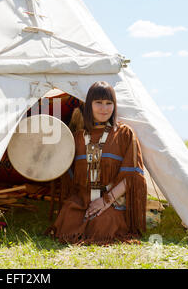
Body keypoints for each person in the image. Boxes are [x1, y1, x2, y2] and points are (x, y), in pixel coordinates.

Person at [47, 81, 147, 245]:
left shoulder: (124, 133)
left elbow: (132, 176)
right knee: (68, 216)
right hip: (83, 199)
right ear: (89, 105)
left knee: (104, 224)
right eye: (98, 103)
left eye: (109, 103)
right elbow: (66, 172)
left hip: (113, 201)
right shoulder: (78, 137)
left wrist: (106, 201)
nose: (104, 108)